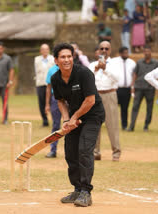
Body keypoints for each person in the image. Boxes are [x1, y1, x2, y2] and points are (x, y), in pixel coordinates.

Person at [51, 43, 105, 207]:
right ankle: (77, 189)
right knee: (70, 151)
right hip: (75, 117)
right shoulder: (55, 78)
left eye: (69, 56)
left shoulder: (84, 73)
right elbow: (60, 100)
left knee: (84, 150)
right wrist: (67, 119)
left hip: (93, 115)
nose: (67, 60)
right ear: (56, 60)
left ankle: (86, 192)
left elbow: (90, 100)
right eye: (63, 57)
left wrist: (74, 117)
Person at [88, 41, 120, 161]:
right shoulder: (92, 65)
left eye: (107, 48)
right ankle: (96, 152)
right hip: (96, 95)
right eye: (102, 48)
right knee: (95, 124)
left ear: (110, 50)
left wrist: (105, 69)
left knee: (112, 125)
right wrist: (96, 70)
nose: (104, 50)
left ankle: (116, 152)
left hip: (109, 94)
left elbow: (118, 79)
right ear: (99, 50)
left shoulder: (115, 64)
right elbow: (87, 80)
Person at [128, 45, 158, 132]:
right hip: (139, 87)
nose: (147, 53)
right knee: (135, 106)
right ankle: (131, 126)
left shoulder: (156, 63)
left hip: (150, 88)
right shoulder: (139, 62)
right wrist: (132, 86)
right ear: (143, 53)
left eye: (148, 51)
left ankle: (146, 126)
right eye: (145, 51)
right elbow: (135, 74)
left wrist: (157, 84)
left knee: (149, 108)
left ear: (151, 52)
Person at [114, 47, 136, 130]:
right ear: (120, 53)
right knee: (114, 108)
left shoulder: (132, 63)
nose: (126, 54)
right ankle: (114, 125)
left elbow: (134, 75)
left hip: (127, 89)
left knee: (125, 108)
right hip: (117, 88)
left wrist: (132, 86)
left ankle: (124, 125)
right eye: (124, 53)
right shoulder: (114, 62)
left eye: (127, 53)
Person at [34, 44, 54, 127]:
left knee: (52, 102)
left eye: (46, 49)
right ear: (40, 51)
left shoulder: (53, 59)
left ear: (49, 50)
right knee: (41, 102)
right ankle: (45, 120)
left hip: (51, 84)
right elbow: (36, 71)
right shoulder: (37, 59)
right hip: (40, 83)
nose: (45, 51)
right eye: (43, 49)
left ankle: (55, 120)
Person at [45, 65, 61, 158]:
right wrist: (47, 104)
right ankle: (53, 150)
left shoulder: (72, 68)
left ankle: (73, 152)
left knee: (72, 125)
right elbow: (48, 87)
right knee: (56, 125)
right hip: (55, 98)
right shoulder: (51, 70)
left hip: (69, 98)